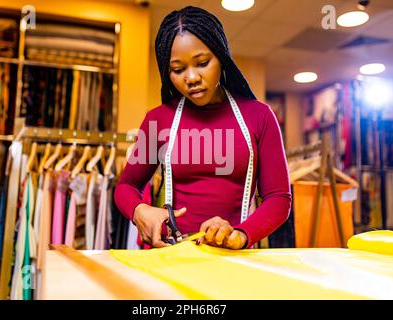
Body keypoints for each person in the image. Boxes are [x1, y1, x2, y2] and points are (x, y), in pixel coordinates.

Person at [114, 6, 291, 249]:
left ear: (221, 57)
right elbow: (126, 187)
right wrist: (139, 209)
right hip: (173, 255)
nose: (192, 78)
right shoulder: (158, 121)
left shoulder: (260, 117)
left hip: (234, 259)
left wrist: (241, 233)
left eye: (202, 63)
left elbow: (279, 198)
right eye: (178, 70)